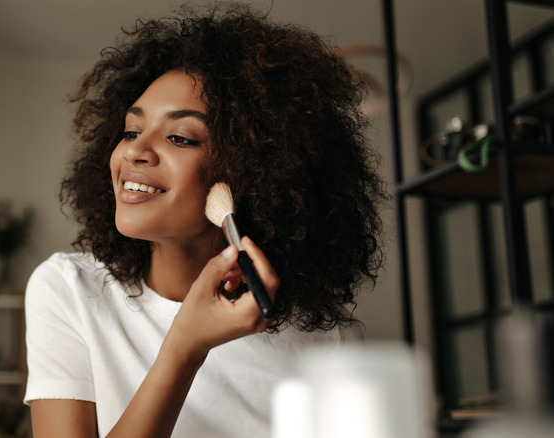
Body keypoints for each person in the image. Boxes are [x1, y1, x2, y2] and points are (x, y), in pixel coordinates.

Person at [24, 3, 386, 437]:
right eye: (131, 131)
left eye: (180, 137)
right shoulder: (70, 291)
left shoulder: (324, 343)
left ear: (254, 172)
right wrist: (184, 348)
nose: (135, 151)